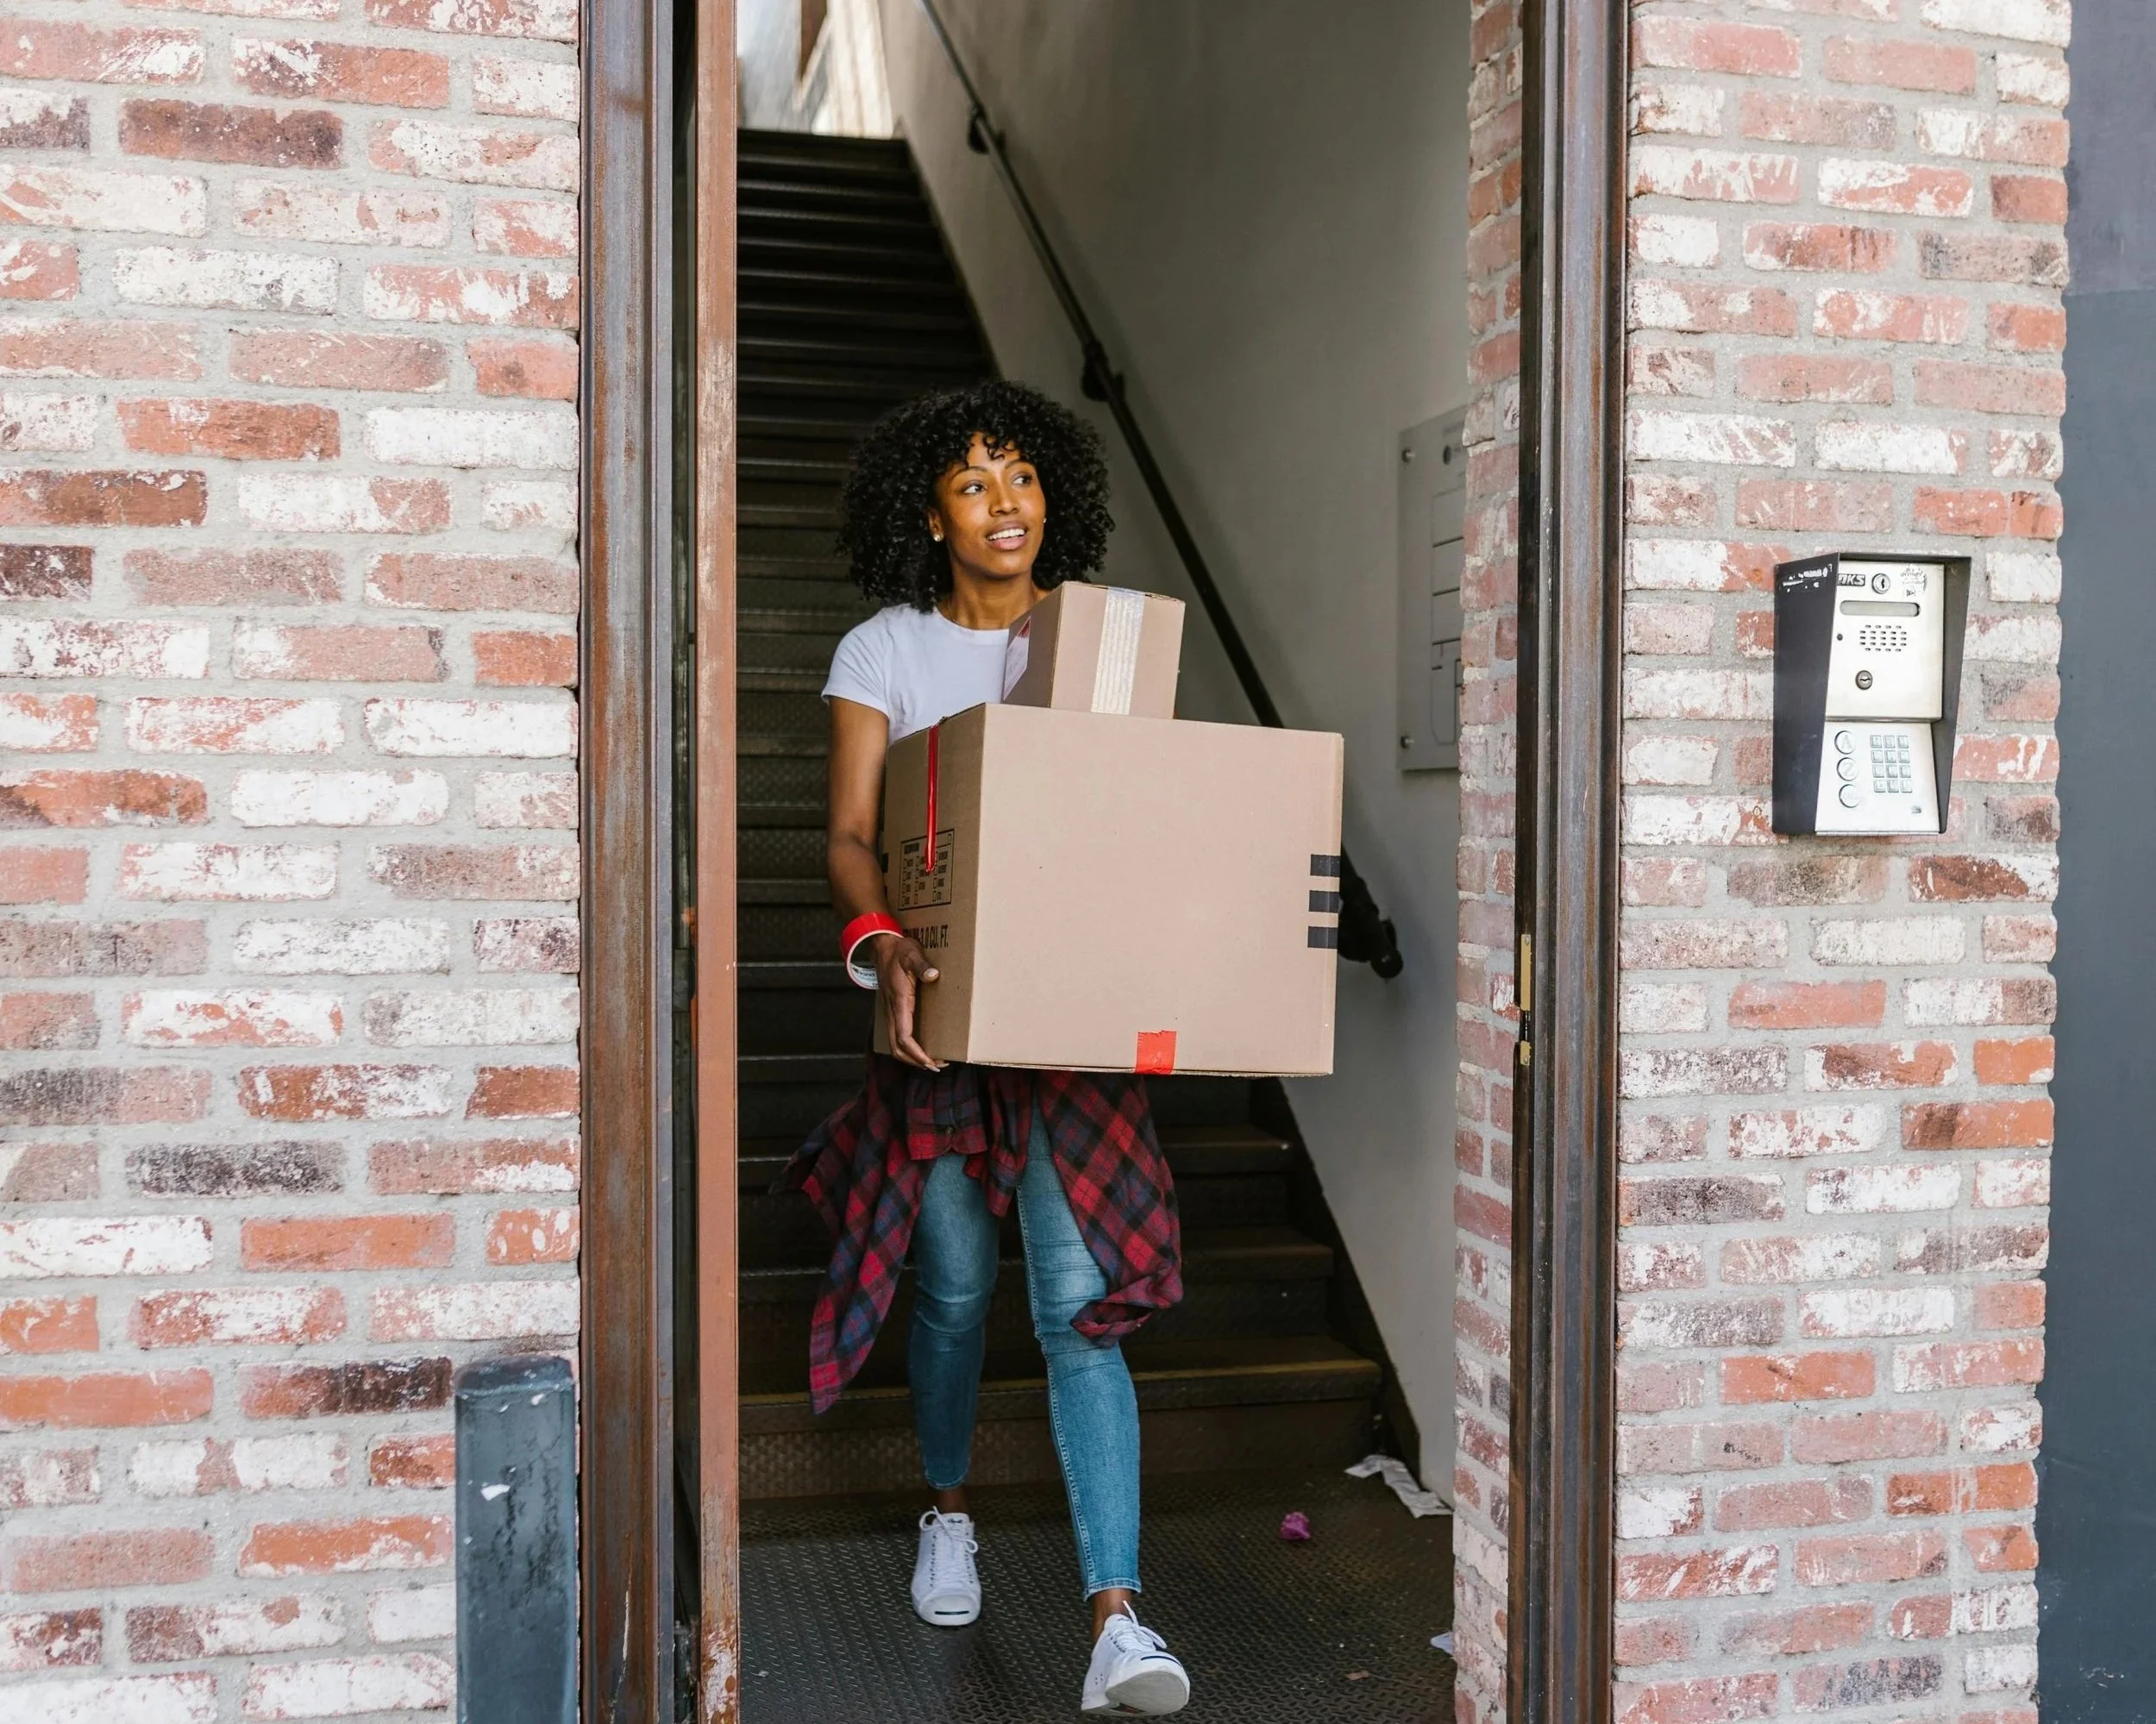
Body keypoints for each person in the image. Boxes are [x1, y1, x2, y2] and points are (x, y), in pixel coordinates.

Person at [786, 379, 1192, 1715]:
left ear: (1050, 496)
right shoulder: (885, 650)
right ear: (932, 511)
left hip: (1073, 1036)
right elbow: (852, 832)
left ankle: (1117, 1616)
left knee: (1080, 1313)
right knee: (954, 1288)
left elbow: (1145, 824)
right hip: (939, 1028)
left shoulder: (1099, 645)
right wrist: (883, 940)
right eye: (973, 480)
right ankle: (947, 1505)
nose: (1003, 499)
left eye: (1020, 475)